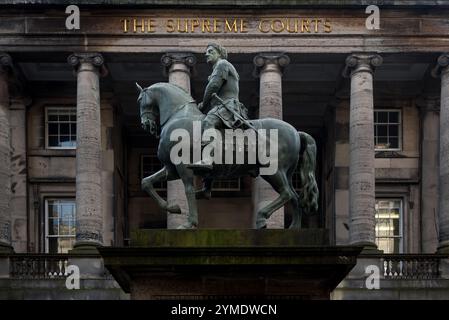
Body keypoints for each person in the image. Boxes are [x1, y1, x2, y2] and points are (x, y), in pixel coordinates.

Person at [188, 43, 249, 171]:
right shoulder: (220, 66)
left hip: (228, 106)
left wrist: (204, 104)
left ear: (219, 53)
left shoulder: (222, 64)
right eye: (206, 52)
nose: (206, 54)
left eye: (210, 51)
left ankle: (207, 159)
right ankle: (207, 185)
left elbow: (213, 86)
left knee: (209, 121)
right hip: (223, 106)